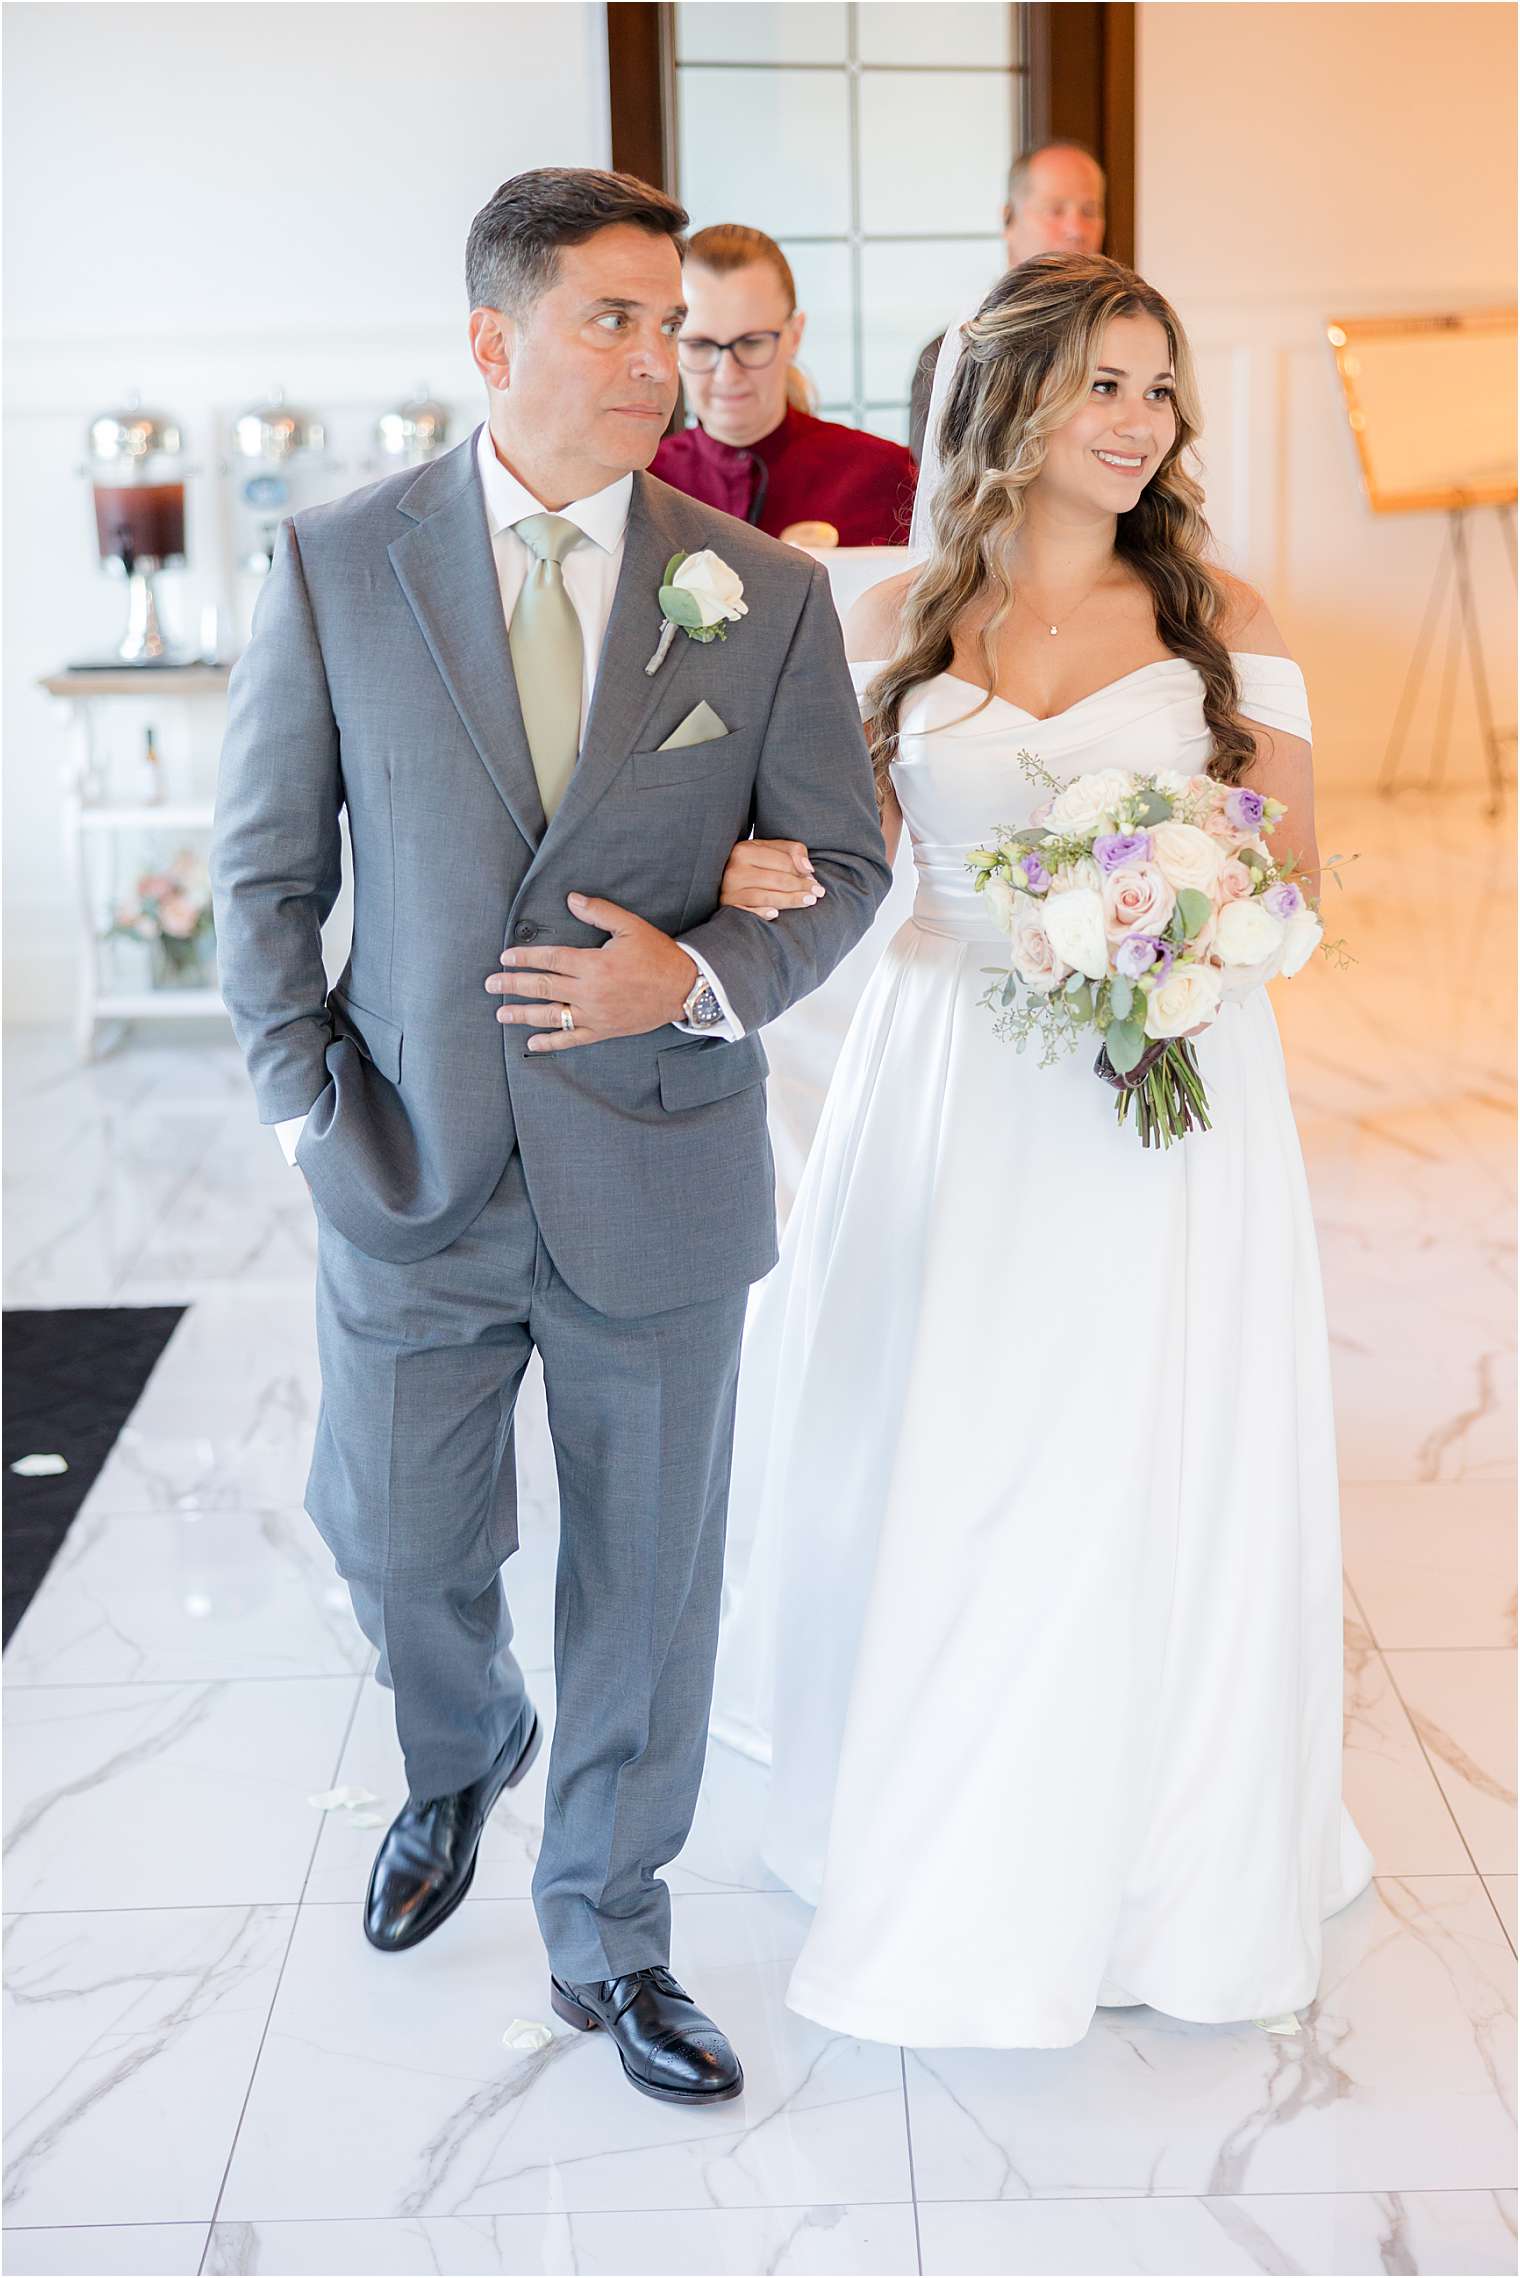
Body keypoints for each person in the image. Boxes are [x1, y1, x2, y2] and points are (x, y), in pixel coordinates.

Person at [210, 166, 890, 2106]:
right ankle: (458, 1742)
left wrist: (688, 974)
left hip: (660, 1158)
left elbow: (839, 865)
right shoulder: (338, 562)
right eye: (614, 317)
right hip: (403, 1166)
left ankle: (613, 1918)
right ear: (495, 341)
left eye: (671, 321)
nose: (658, 356)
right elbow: (262, 872)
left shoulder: (754, 592)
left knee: (647, 1579)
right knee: (398, 1535)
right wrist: (299, 1115)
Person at [709, 252, 1373, 2049]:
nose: (1139, 420)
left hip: (1171, 1089)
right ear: (1005, 405)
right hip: (949, 1090)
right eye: (1102, 383)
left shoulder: (1225, 610)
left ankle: (1156, 1851)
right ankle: (932, 1805)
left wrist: (1181, 933)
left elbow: (1298, 874)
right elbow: (812, 857)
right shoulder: (880, 616)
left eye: (1158, 386)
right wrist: (758, 875)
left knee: (1140, 1449)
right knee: (961, 1440)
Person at [653, 223, 916, 545]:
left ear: (794, 335)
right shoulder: (644, 483)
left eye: (751, 343)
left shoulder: (885, 478)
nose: (727, 374)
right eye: (700, 346)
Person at [908, 141, 1107, 464]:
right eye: (1055, 211)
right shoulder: (952, 353)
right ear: (1008, 219)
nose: (1076, 230)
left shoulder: (1120, 345)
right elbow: (940, 486)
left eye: (1089, 211)